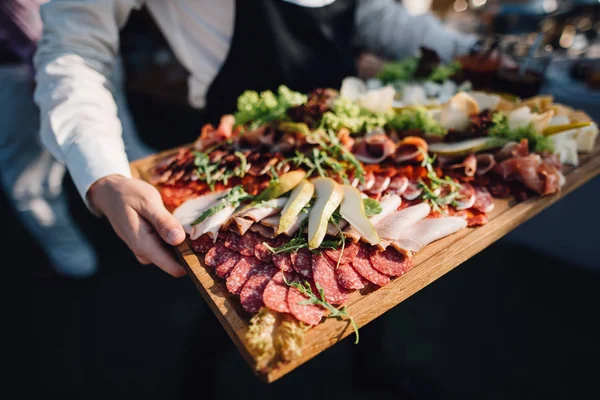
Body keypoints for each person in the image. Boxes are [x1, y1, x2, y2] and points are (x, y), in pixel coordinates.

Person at [34, 0, 478, 277]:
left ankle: (369, 367)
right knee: (244, 273)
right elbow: (77, 44)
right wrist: (102, 173)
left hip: (341, 146)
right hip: (242, 156)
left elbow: (374, 13)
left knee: (368, 260)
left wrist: (473, 53)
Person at [0, 0, 151, 278]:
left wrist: (47, 75)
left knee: (31, 182)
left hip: (36, 64)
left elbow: (31, 26)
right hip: (87, 45)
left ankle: (75, 261)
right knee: (123, 147)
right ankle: (155, 227)